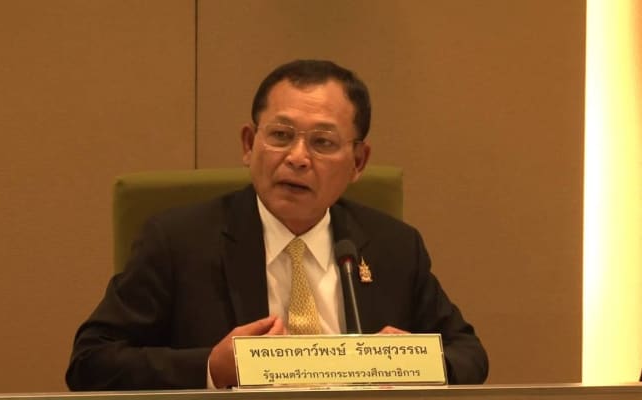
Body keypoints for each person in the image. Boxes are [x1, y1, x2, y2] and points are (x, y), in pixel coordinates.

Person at [66, 59, 488, 390]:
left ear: (358, 162)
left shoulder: (393, 246)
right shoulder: (178, 241)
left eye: (322, 142)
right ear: (249, 144)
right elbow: (90, 362)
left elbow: (469, 354)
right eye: (281, 136)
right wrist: (211, 368)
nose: (298, 158)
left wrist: (417, 363)